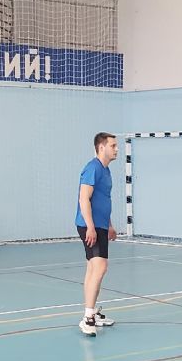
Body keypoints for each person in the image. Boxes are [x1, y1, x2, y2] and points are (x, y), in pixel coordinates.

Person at [75, 132, 118, 336]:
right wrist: (90, 227)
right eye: (113, 146)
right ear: (101, 147)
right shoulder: (92, 168)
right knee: (100, 267)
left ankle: (92, 312)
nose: (116, 149)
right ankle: (88, 317)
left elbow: (103, 199)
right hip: (89, 225)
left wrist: (109, 225)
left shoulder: (106, 170)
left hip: (100, 225)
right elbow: (84, 198)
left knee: (94, 268)